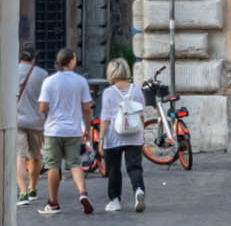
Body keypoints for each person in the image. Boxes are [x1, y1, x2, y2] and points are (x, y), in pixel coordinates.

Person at [36, 48, 96, 215]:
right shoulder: (81, 81)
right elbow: (86, 108)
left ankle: (53, 202)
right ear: (71, 61)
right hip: (73, 130)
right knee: (75, 163)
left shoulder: (49, 81)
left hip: (53, 130)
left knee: (53, 165)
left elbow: (42, 107)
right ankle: (82, 192)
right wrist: (87, 129)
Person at [99, 60, 148, 213]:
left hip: (114, 136)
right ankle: (138, 190)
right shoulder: (137, 90)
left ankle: (115, 201)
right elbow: (142, 115)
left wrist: (100, 139)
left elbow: (105, 118)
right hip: (134, 134)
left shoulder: (108, 92)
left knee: (113, 169)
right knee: (135, 167)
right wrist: (142, 134)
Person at [13, 44, 48, 205]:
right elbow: (46, 100)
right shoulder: (42, 74)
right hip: (37, 121)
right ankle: (33, 187)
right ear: (34, 58)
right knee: (35, 156)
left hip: (17, 120)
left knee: (20, 156)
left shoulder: (12, 71)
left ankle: (22, 192)